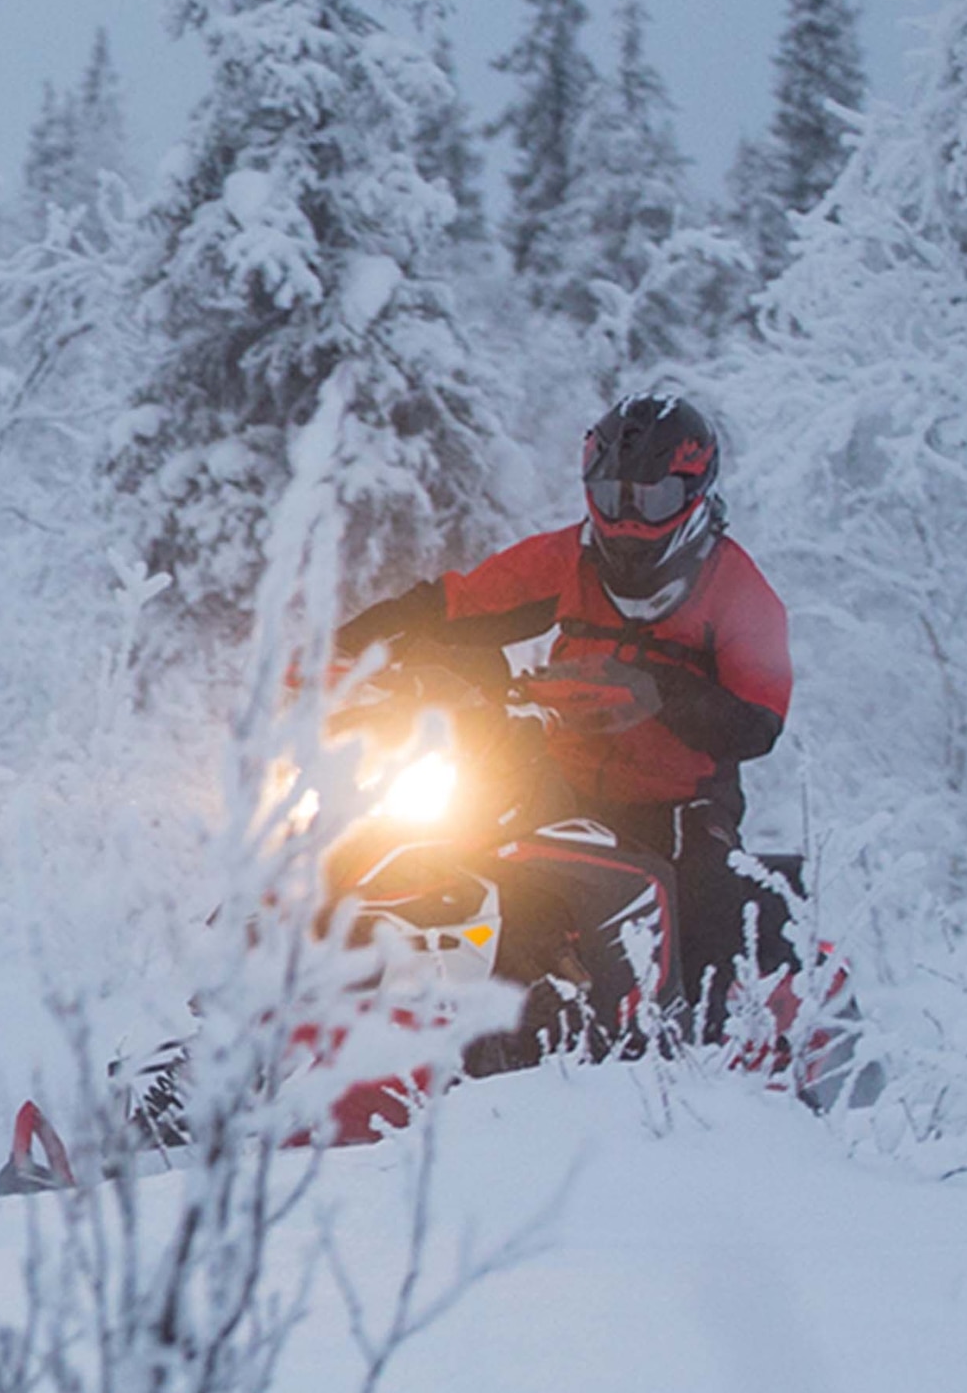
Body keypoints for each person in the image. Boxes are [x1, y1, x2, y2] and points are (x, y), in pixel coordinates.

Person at [334, 392, 794, 1061]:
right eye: (612, 495)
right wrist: (356, 643)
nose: (629, 519)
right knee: (453, 850)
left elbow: (760, 722)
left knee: (706, 899)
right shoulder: (566, 559)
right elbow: (460, 602)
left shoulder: (740, 591)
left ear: (695, 494)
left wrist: (662, 691)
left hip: (681, 804)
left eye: (652, 498)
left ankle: (706, 1065)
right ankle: (437, 1024)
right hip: (564, 780)